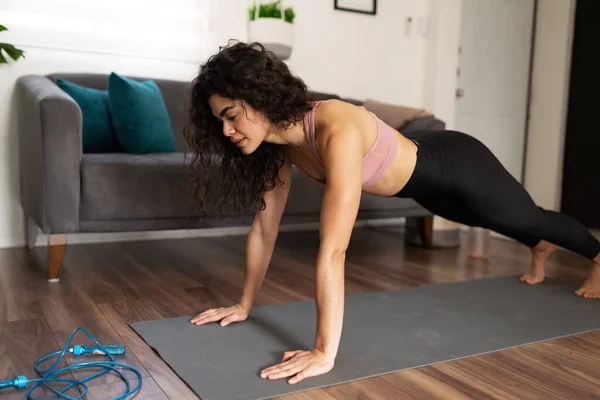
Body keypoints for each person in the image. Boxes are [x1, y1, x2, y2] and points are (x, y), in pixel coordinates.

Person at [184, 41, 600, 384]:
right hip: (424, 188)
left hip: (458, 163)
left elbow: (333, 251)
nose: (226, 131)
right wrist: (243, 304)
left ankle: (596, 256)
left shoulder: (337, 128)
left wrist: (324, 352)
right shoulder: (280, 150)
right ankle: (540, 246)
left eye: (231, 116)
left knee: (524, 215)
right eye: (220, 121)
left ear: (258, 98)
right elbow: (264, 229)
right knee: (494, 220)